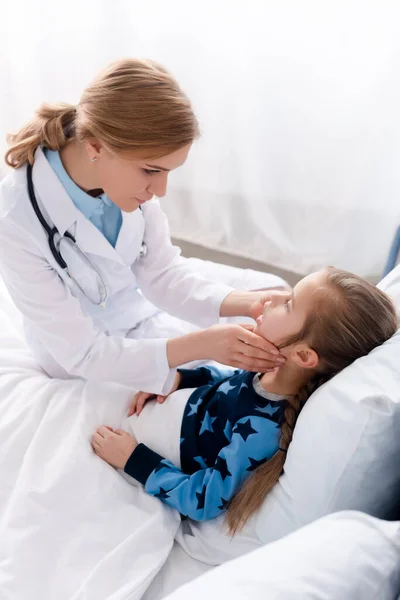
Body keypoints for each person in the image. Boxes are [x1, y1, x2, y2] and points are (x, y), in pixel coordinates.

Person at [0, 58, 287, 393]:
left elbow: (162, 274)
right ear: (95, 146)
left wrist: (248, 304)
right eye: (152, 171)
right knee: (217, 376)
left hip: (138, 305)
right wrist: (205, 344)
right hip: (84, 355)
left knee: (275, 291)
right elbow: (84, 353)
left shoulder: (126, 173)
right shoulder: (15, 218)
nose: (160, 191)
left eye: (168, 171)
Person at [91, 267, 398, 532]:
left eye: (289, 304)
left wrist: (134, 460)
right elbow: (226, 385)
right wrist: (181, 379)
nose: (272, 297)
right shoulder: (265, 371)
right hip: (169, 405)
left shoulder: (262, 430)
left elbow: (204, 500)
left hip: (155, 444)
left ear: (304, 355)